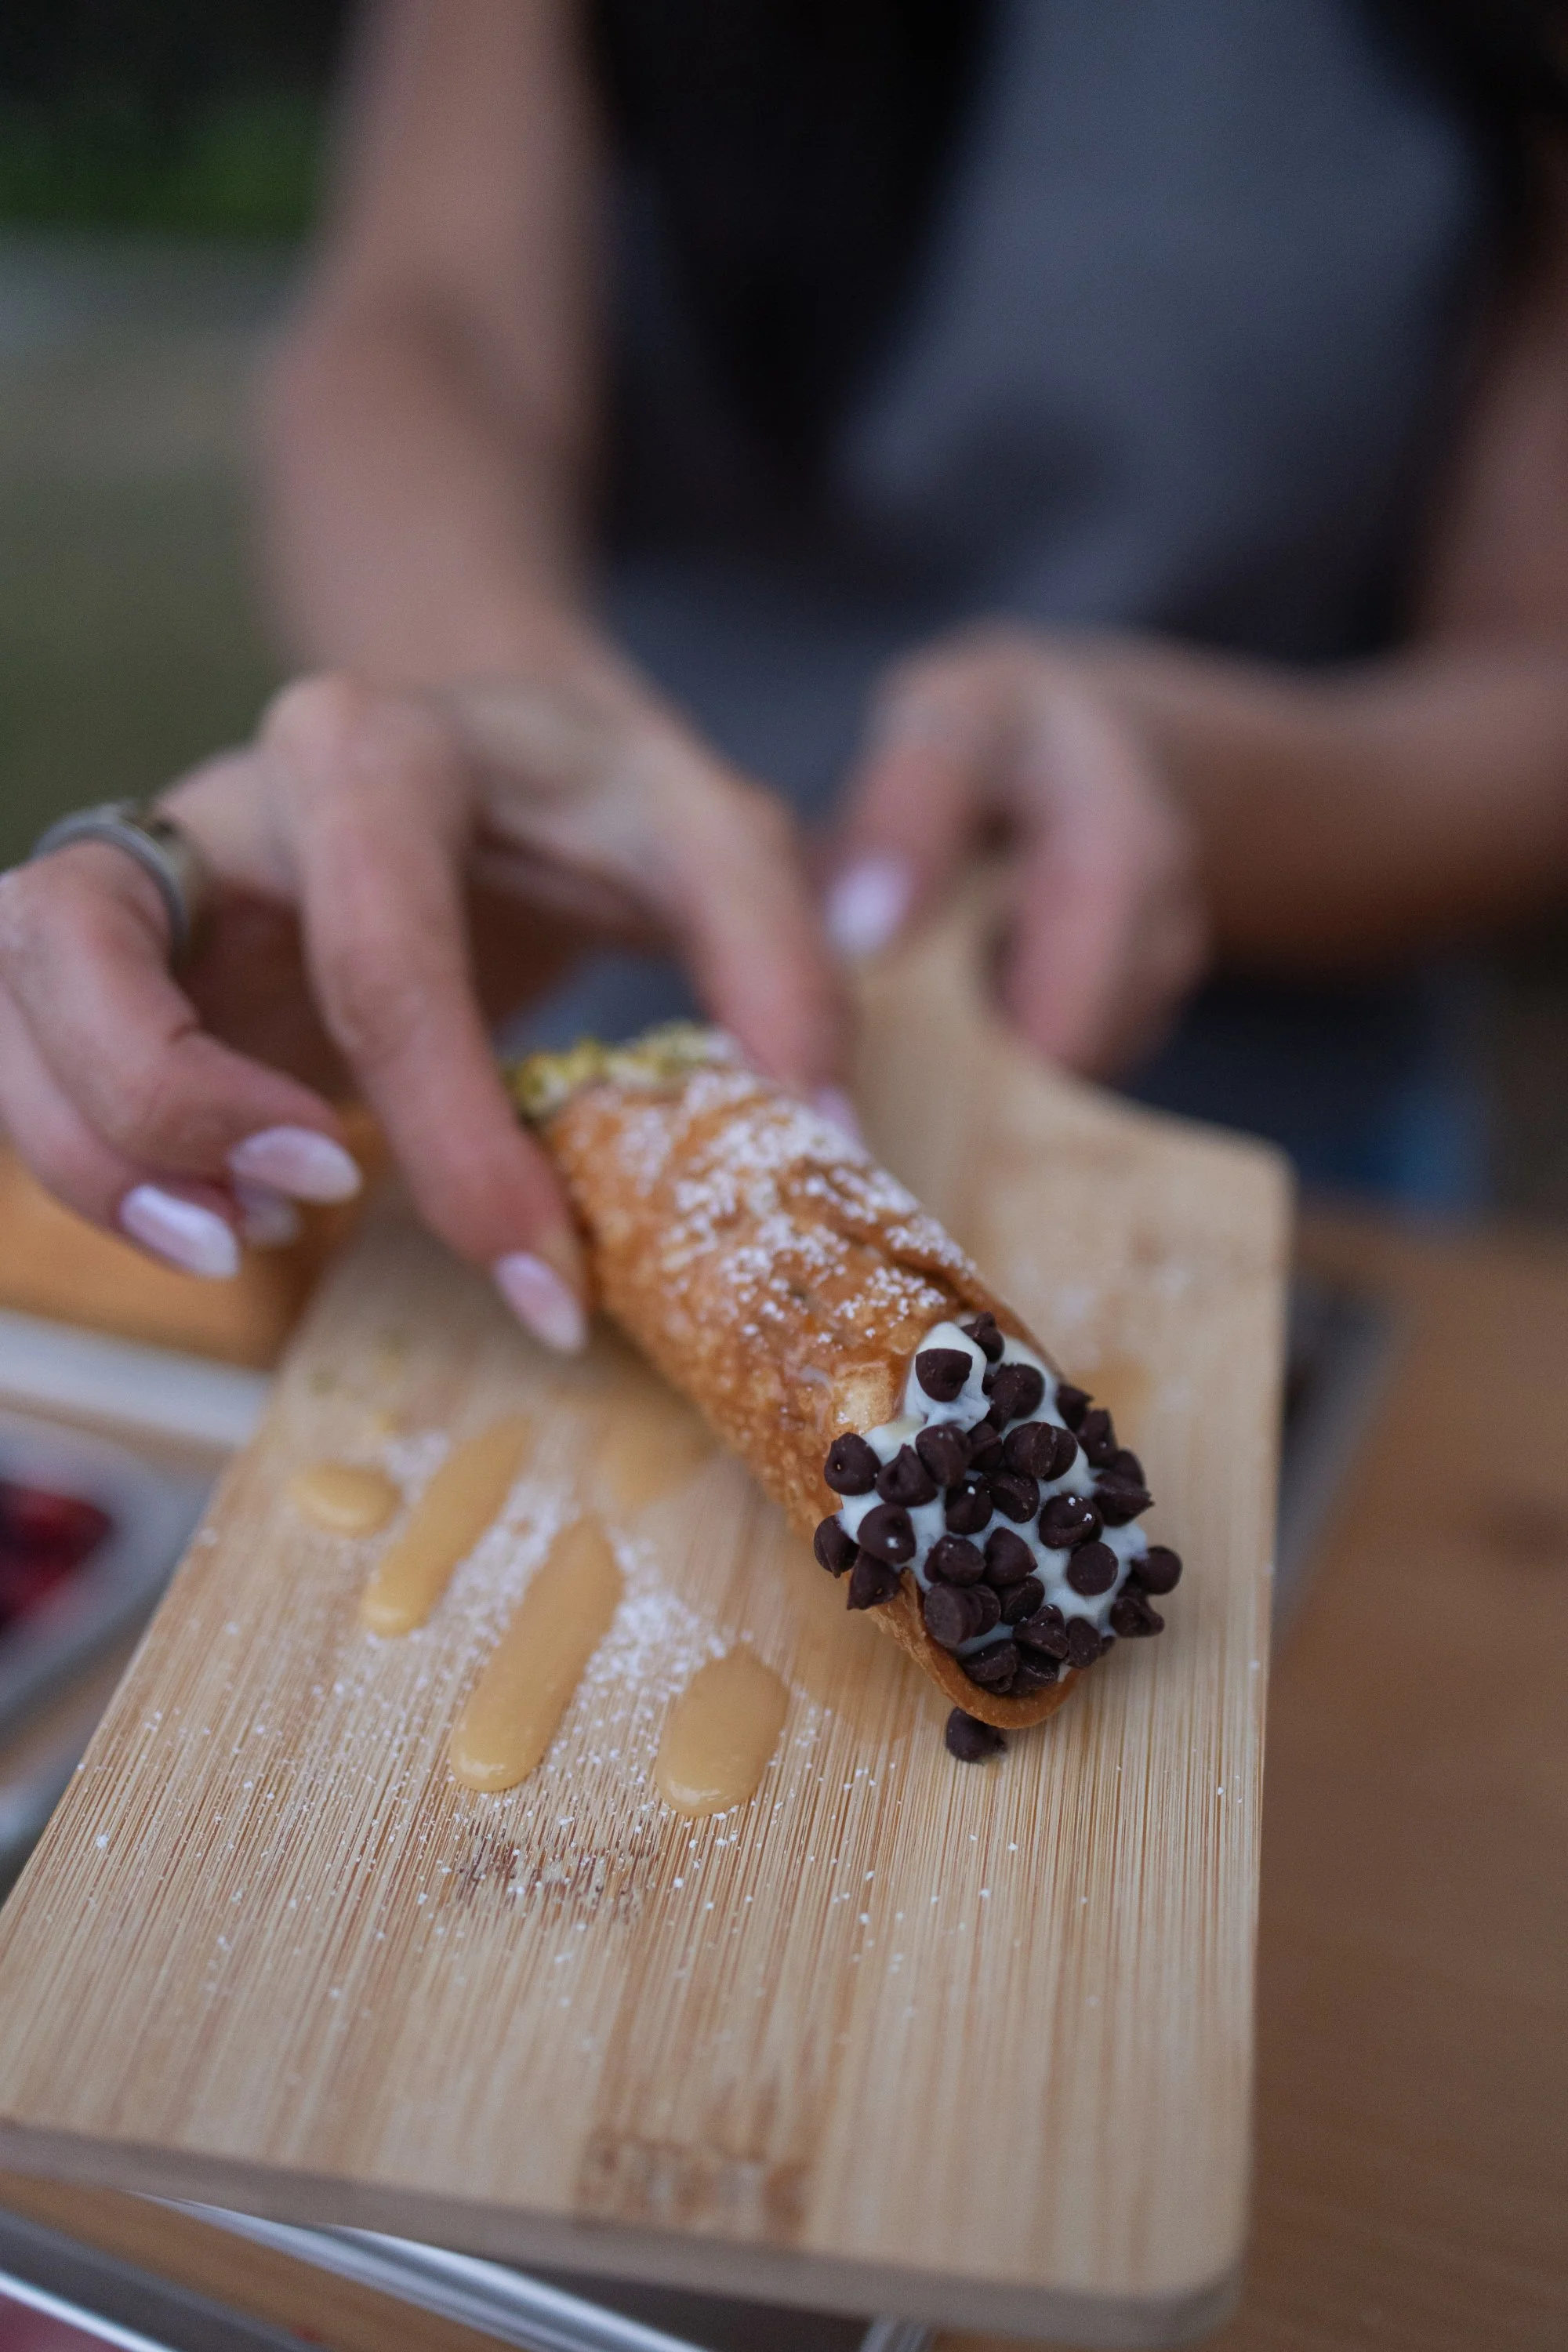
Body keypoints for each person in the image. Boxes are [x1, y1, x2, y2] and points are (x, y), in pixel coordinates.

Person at [5, 0, 1568, 1354]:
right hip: (602, 1072)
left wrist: (1195, 781)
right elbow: (425, 319)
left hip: (1284, 1173)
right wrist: (512, 734)